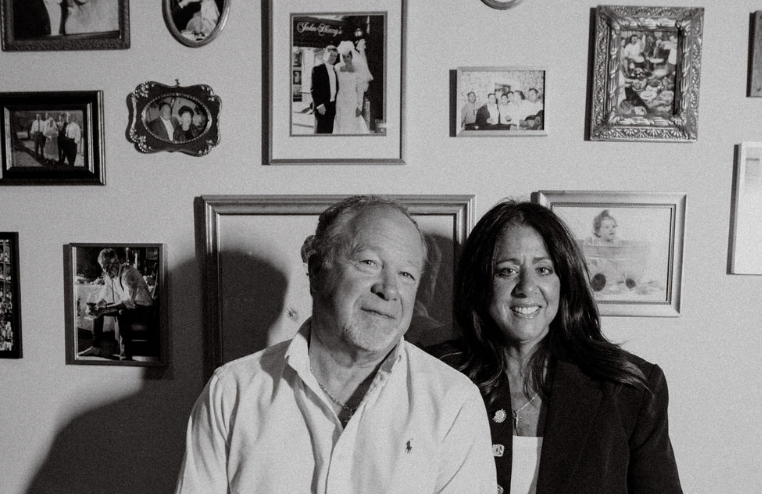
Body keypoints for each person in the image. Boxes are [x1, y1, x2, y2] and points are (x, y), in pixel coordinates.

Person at [174, 196, 496, 493]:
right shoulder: (231, 394)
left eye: (407, 275)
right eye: (369, 262)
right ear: (316, 271)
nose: (389, 289)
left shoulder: (454, 403)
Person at [429, 200, 683, 494]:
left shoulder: (629, 389)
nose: (526, 287)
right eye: (507, 270)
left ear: (566, 281)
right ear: (480, 283)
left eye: (544, 269)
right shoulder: (435, 376)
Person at [78, 248, 153, 361]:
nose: (106, 270)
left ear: (117, 262)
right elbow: (106, 294)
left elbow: (128, 302)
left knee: (122, 313)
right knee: (98, 309)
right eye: (103, 267)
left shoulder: (128, 273)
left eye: (108, 266)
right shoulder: (109, 276)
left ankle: (125, 357)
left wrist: (105, 309)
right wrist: (98, 306)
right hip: (131, 305)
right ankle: (95, 347)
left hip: (144, 309)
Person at [332, 41, 372, 135]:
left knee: (352, 123)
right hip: (341, 99)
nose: (346, 59)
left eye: (348, 56)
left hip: (352, 100)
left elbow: (360, 91)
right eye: (344, 56)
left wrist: (359, 106)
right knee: (341, 122)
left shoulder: (357, 72)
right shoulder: (338, 68)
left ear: (352, 56)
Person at [311, 45, 339, 134]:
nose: (333, 58)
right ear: (325, 55)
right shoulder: (317, 69)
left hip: (332, 106)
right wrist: (319, 105)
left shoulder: (335, 70)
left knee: (329, 131)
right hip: (322, 106)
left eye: (335, 56)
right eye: (331, 55)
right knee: (320, 131)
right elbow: (314, 89)